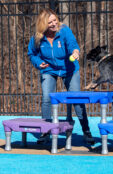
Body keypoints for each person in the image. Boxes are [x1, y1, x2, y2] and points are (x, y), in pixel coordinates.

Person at [27, 8, 94, 144]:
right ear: (43, 24)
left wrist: (75, 52)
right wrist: (39, 63)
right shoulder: (37, 37)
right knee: (47, 98)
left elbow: (72, 44)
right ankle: (45, 132)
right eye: (49, 22)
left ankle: (86, 131)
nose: (53, 24)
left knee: (76, 98)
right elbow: (32, 54)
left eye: (54, 20)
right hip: (49, 69)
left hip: (69, 69)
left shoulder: (64, 30)